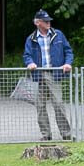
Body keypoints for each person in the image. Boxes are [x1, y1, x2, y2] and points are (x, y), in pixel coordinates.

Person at [22, 9, 73, 141]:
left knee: (58, 104)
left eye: (49, 20)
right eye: (45, 21)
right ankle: (46, 135)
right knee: (40, 106)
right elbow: (26, 55)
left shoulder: (58, 35)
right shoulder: (31, 38)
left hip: (54, 73)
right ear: (37, 23)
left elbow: (68, 51)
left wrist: (67, 63)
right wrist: (30, 63)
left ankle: (66, 134)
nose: (48, 23)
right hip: (38, 75)